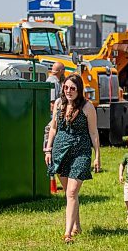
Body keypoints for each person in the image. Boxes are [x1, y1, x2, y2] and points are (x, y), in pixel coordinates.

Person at [44, 73, 101, 243]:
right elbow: (53, 128)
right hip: (60, 151)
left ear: (79, 90)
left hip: (80, 151)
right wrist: (48, 149)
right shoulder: (59, 104)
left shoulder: (87, 107)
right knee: (70, 194)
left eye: (72, 88)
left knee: (71, 192)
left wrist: (97, 156)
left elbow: (93, 132)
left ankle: (67, 233)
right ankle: (77, 226)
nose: (68, 91)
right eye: (66, 87)